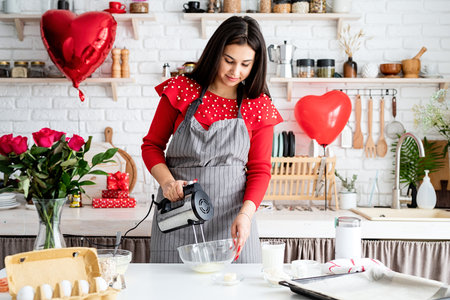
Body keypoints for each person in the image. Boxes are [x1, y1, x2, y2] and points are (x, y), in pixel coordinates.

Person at [141, 16, 283, 263]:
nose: (235, 71)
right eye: (229, 60)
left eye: (245, 64)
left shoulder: (258, 105)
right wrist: (167, 183)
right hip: (177, 215)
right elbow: (151, 146)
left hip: (233, 220)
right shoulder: (182, 89)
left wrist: (246, 215)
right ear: (215, 52)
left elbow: (260, 169)